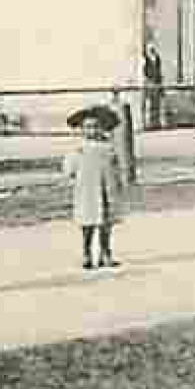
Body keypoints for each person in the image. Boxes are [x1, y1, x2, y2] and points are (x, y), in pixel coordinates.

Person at [62, 105, 123, 269]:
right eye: (88, 127)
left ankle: (105, 252)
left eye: (96, 126)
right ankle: (87, 252)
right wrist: (76, 175)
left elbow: (115, 168)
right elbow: (69, 170)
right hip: (87, 190)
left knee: (105, 223)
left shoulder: (109, 147)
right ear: (81, 129)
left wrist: (117, 185)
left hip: (106, 189)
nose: (93, 130)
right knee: (87, 223)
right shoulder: (78, 149)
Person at [142, 42, 164, 131]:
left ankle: (155, 123)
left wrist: (160, 82)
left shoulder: (157, 58)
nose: (152, 51)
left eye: (153, 49)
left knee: (156, 104)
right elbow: (144, 71)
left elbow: (159, 71)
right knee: (147, 104)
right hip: (148, 82)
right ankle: (147, 124)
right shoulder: (145, 59)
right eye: (150, 49)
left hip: (156, 82)